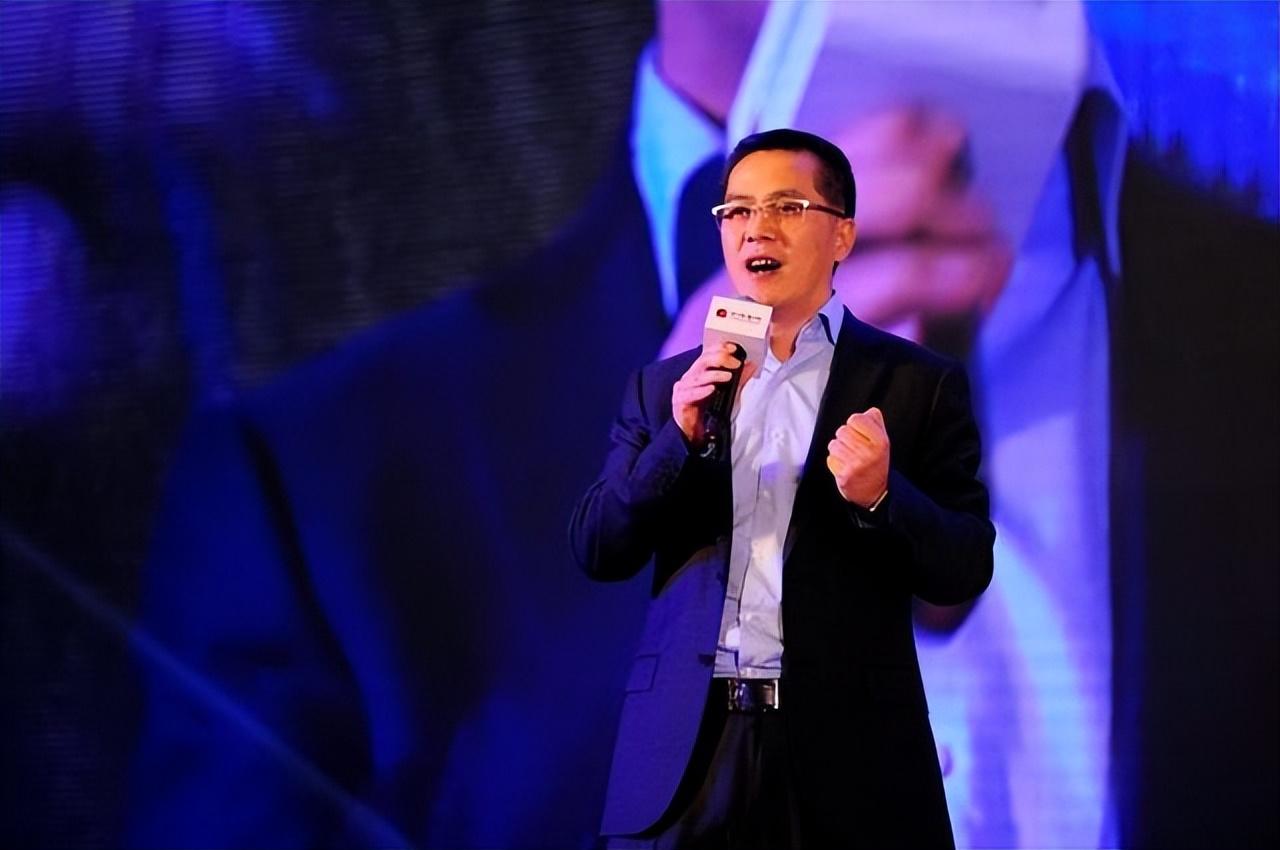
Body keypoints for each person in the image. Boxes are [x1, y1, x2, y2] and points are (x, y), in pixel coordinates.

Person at [569, 128, 995, 848]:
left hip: (848, 754)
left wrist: (883, 496)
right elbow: (598, 547)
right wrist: (679, 439)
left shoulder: (914, 382)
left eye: (787, 207)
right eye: (737, 211)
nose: (756, 228)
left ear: (842, 234)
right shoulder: (666, 387)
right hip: (687, 756)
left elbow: (965, 563)